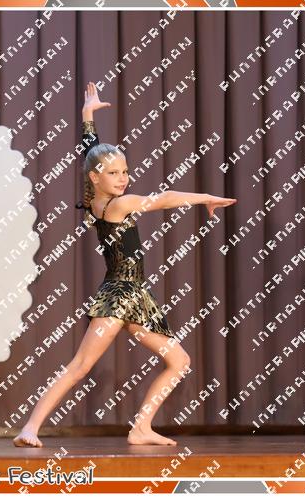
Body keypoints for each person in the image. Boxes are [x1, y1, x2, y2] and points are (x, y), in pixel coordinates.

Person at [12, 82, 236, 447]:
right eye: (114, 173)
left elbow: (90, 153)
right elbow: (165, 198)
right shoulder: (119, 205)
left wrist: (87, 114)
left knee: (179, 361)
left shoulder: (95, 198)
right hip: (119, 295)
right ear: (96, 177)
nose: (123, 178)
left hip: (136, 295)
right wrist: (206, 197)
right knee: (81, 366)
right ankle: (30, 428)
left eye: (125, 171)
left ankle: (141, 427)